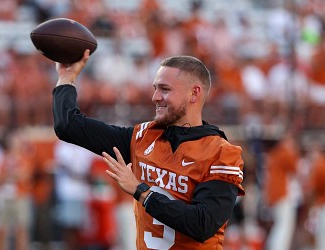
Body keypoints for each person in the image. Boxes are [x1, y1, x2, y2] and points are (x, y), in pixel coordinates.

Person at [51, 49, 245, 249]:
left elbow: (203, 224)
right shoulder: (142, 138)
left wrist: (141, 191)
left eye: (165, 89)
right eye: (155, 88)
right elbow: (68, 126)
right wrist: (67, 77)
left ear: (194, 93)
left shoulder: (221, 152)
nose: (155, 97)